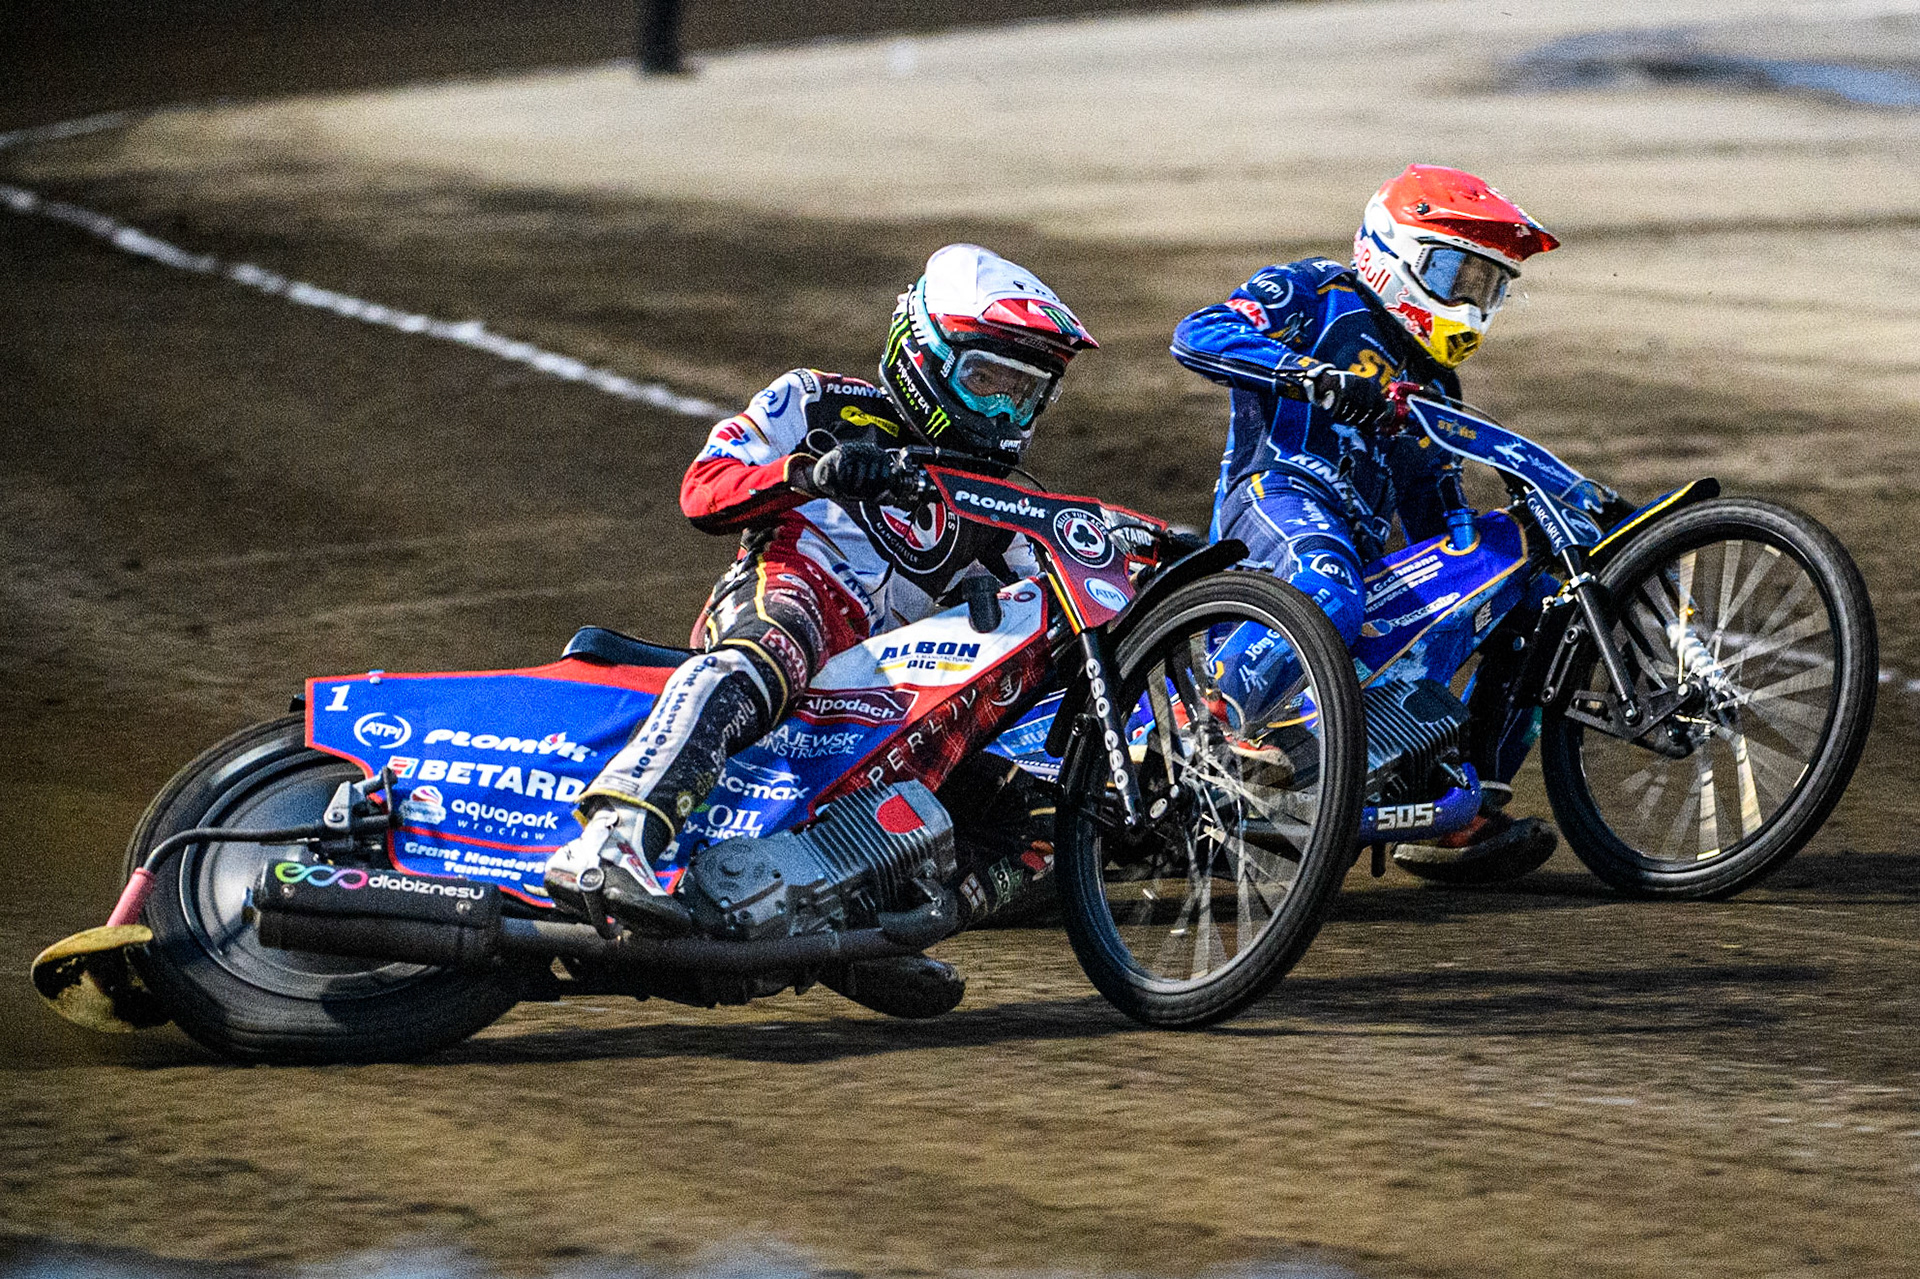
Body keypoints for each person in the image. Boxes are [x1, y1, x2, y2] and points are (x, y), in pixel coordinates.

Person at [543, 243, 1096, 971]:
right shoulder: (816, 401)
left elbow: (1069, 607)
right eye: (985, 381)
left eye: (1021, 395)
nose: (1001, 411)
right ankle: (613, 836)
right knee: (783, 640)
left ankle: (871, 924)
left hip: (887, 693)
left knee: (1048, 814)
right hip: (790, 594)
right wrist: (812, 470)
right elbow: (702, 487)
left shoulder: (1004, 502)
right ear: (924, 354)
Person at [1169, 163, 1559, 865]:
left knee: (1519, 588)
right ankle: (1204, 722)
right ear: (1397, 253)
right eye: (1457, 277)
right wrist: (1309, 376)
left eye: (1487, 288)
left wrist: (1505, 549)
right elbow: (1199, 332)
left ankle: (1451, 786)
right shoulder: (1316, 292)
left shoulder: (1438, 385)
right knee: (1332, 587)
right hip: (1275, 504)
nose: (1470, 304)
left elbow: (1437, 521)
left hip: (1355, 555)